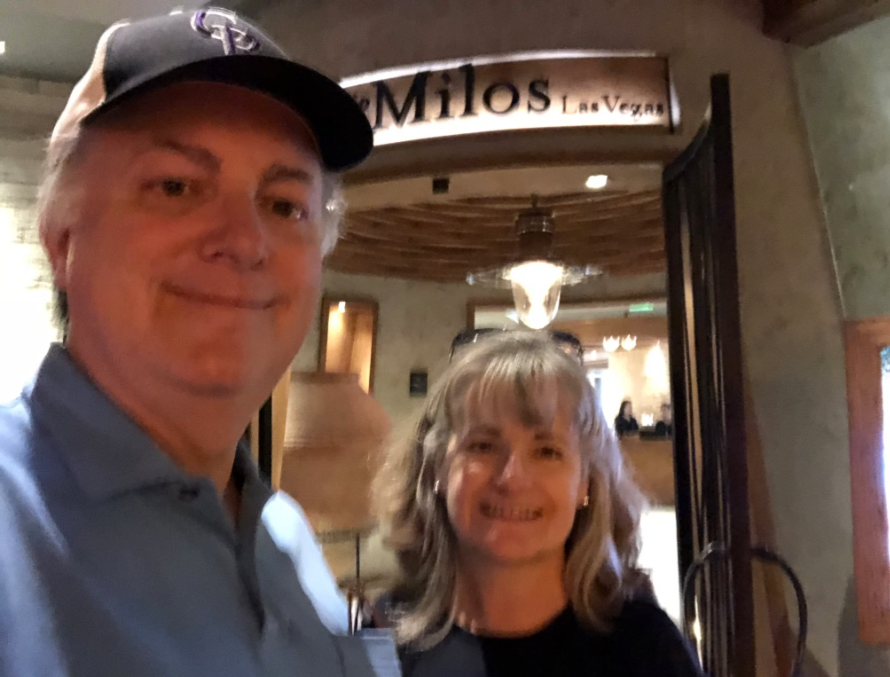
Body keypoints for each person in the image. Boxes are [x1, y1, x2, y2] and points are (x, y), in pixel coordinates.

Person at [0, 7, 397, 677]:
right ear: (63, 239)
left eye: (284, 204)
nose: (245, 240)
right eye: (176, 186)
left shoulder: (286, 536)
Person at [371, 332, 702, 677]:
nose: (512, 478)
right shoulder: (383, 637)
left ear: (585, 483)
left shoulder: (647, 650)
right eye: (483, 446)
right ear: (436, 467)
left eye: (547, 451)